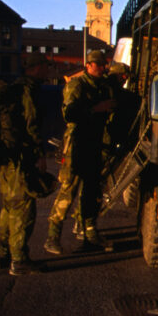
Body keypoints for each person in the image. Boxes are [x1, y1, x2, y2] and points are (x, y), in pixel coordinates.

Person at [45, 48, 116, 254]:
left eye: (104, 64)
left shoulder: (102, 87)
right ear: (88, 65)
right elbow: (69, 114)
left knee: (92, 192)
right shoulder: (77, 85)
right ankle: (52, 236)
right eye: (99, 65)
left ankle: (90, 232)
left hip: (95, 145)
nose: (103, 68)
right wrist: (96, 108)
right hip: (77, 144)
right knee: (69, 190)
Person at [0, 76, 45, 276]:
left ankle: (1, 254)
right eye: (45, 67)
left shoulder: (11, 90)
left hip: (6, 156)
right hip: (21, 157)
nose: (47, 71)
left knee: (8, 206)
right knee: (23, 207)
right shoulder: (27, 91)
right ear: (36, 69)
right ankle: (19, 260)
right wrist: (39, 153)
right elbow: (31, 123)